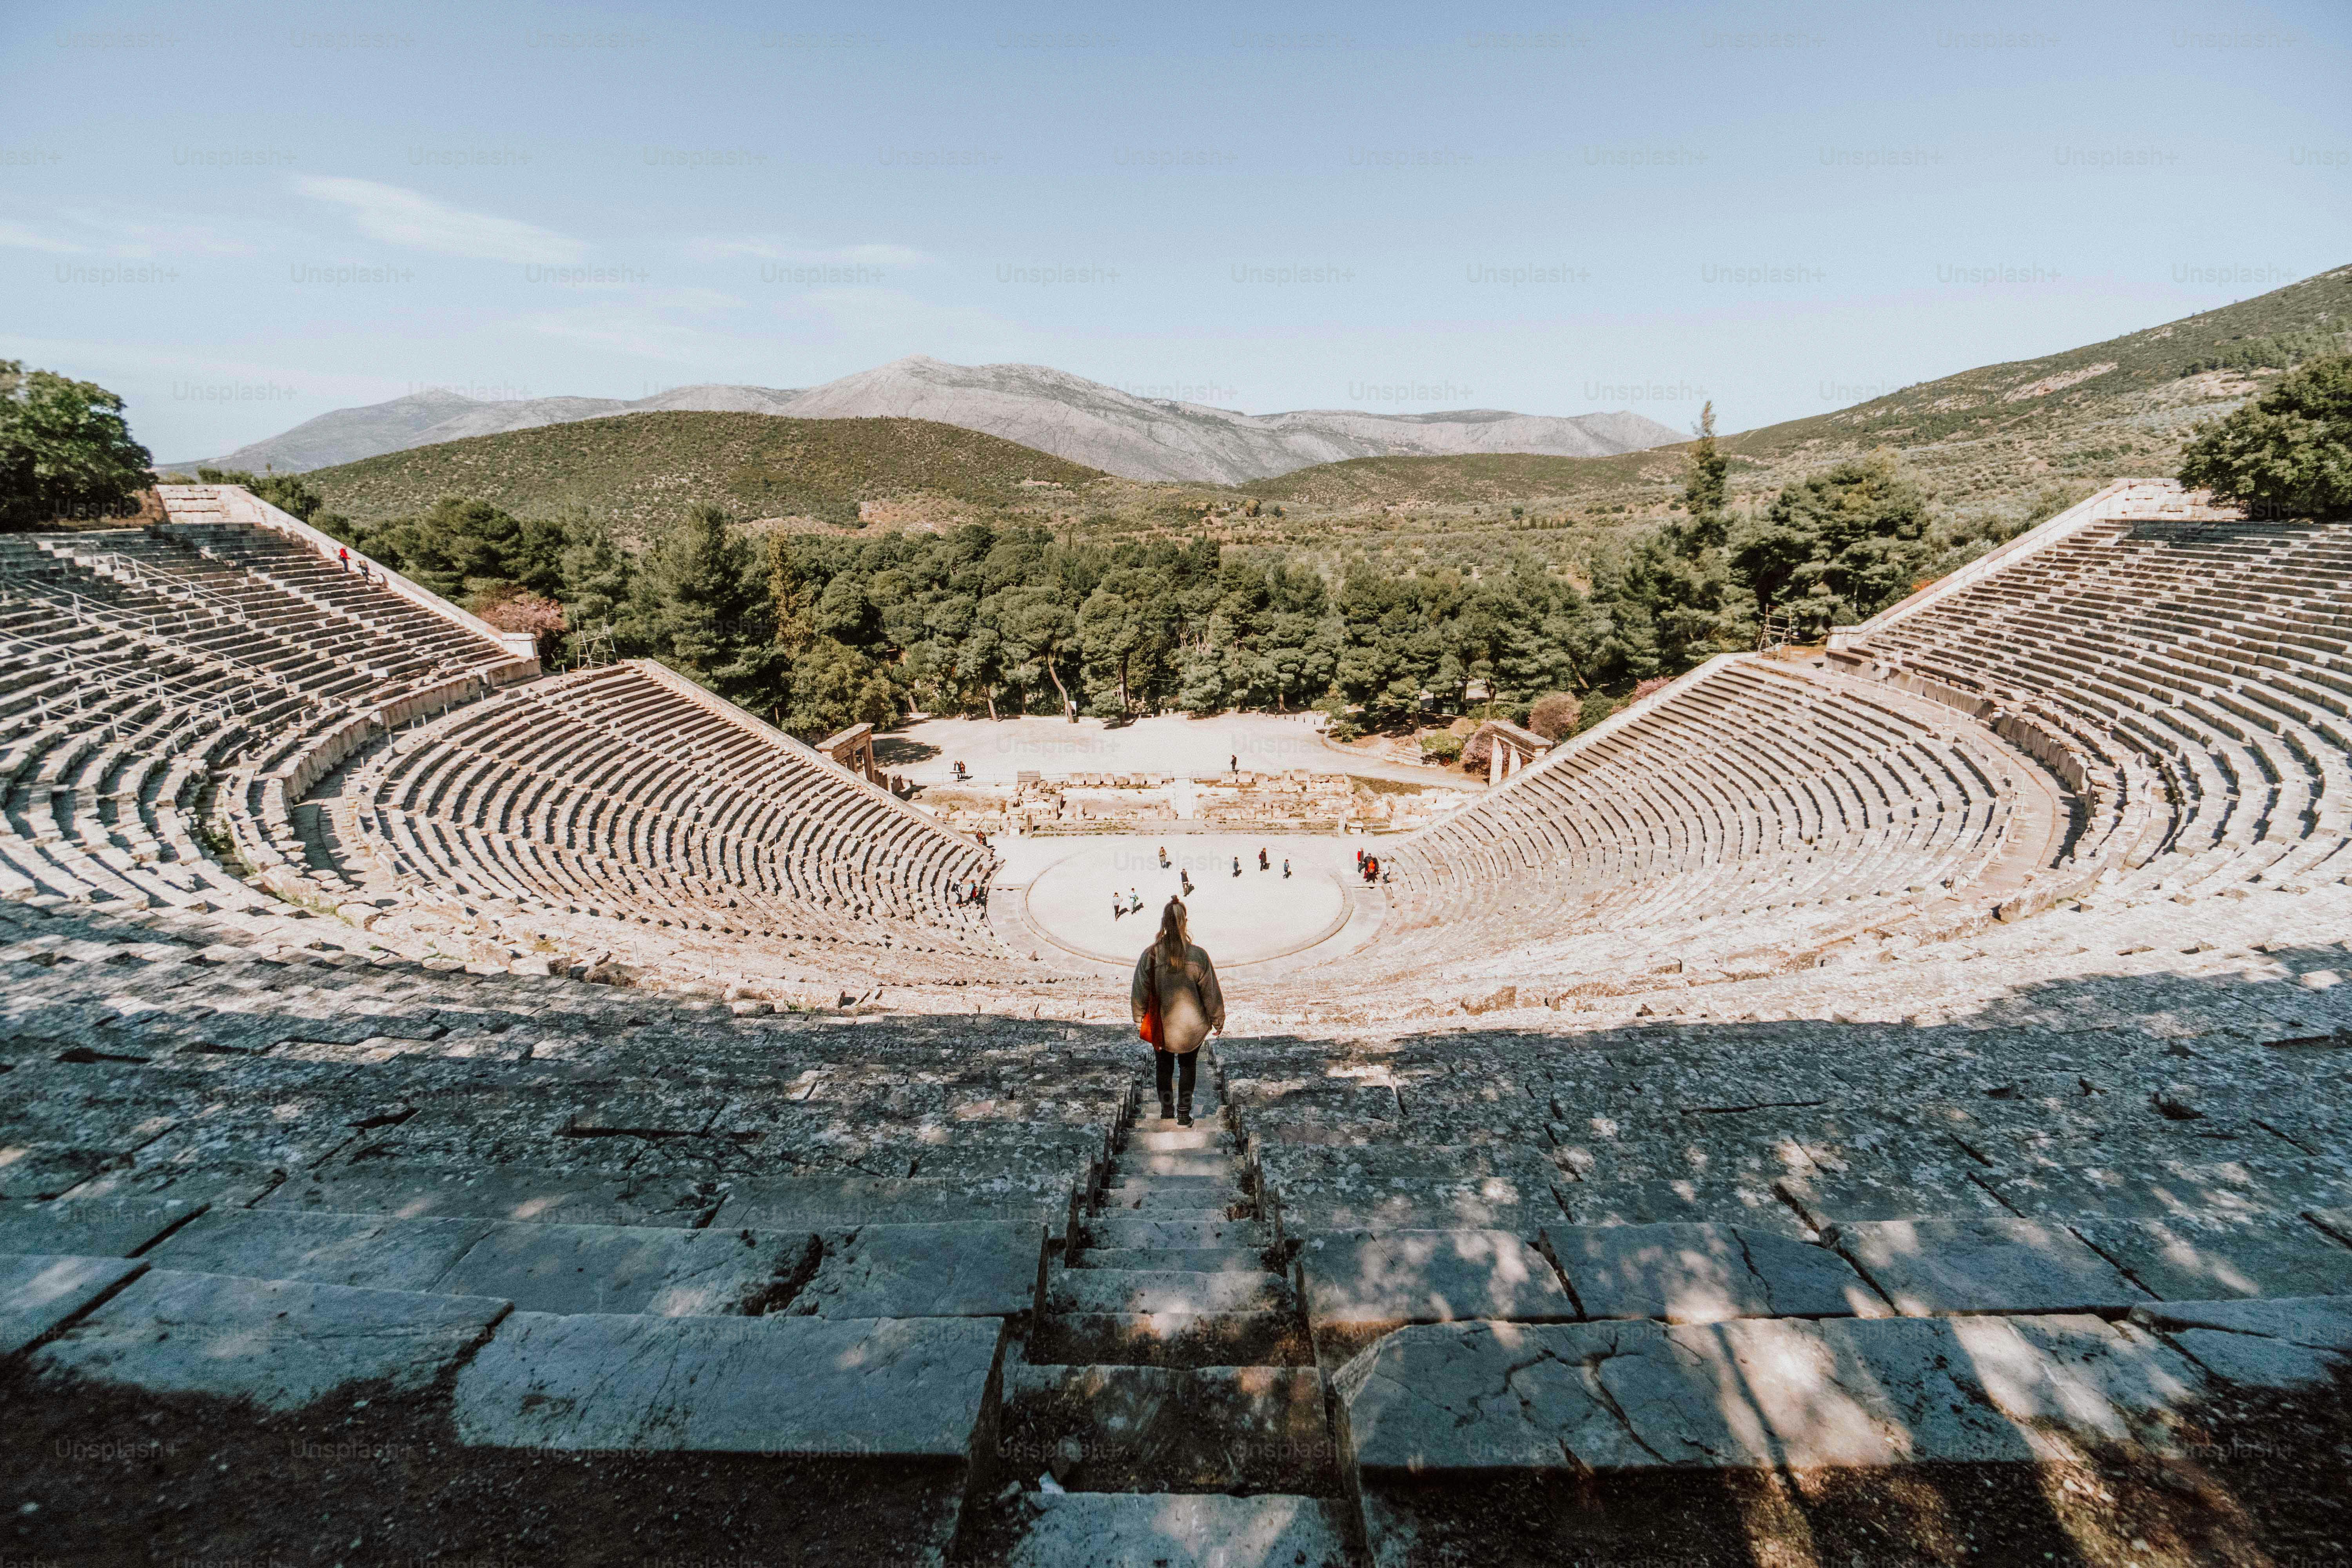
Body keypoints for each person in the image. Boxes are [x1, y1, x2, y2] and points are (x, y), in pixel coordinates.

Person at [1132, 897, 1223, 1127]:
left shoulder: (1150, 955)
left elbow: (1139, 991)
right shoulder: (1199, 956)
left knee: (1163, 1068)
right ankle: (1183, 1113)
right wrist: (1218, 1019)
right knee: (1187, 1067)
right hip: (1191, 1029)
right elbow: (1210, 994)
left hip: (1162, 1026)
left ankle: (1166, 1112)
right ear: (1185, 923)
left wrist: (1139, 1018)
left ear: (1163, 922)